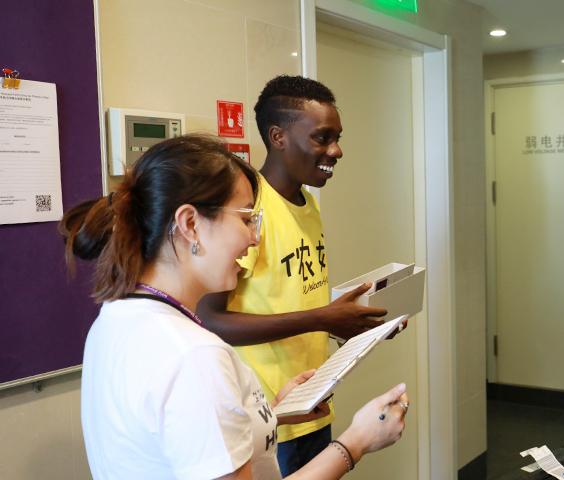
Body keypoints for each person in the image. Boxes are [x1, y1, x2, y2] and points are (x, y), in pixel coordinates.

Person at [61, 135, 407, 479]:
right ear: (190, 224)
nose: (254, 237)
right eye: (245, 219)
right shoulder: (194, 357)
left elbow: (184, 438)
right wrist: (356, 441)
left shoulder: (116, 317)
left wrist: (273, 413)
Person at [196, 75, 397, 476]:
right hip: (267, 414)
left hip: (312, 402)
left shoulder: (307, 203)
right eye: (322, 138)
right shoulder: (249, 208)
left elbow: (292, 300)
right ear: (278, 136)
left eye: (337, 137)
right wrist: (322, 318)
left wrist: (349, 323)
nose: (336, 150)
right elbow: (210, 319)